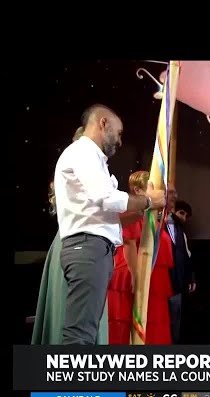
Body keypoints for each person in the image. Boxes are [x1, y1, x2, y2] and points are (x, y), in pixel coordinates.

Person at [53, 104, 166, 345]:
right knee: (80, 334)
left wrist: (145, 209)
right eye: (119, 132)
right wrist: (148, 200)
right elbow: (106, 197)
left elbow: (106, 215)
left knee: (86, 332)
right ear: (103, 123)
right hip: (88, 249)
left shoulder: (90, 157)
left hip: (92, 249)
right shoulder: (83, 152)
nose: (120, 141)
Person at [32, 127, 108, 344]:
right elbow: (102, 204)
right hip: (80, 242)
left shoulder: (80, 165)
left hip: (74, 241)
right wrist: (145, 202)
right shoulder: (81, 163)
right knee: (74, 314)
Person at [107, 171, 174, 345]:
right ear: (137, 190)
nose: (162, 194)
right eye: (154, 188)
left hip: (155, 278)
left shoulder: (156, 217)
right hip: (135, 273)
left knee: (154, 325)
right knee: (129, 325)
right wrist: (136, 275)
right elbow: (128, 243)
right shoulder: (132, 213)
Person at [165, 186, 195, 344]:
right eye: (181, 213)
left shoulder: (180, 231)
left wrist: (190, 278)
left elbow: (186, 256)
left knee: (175, 322)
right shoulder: (157, 224)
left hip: (176, 283)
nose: (183, 218)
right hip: (160, 281)